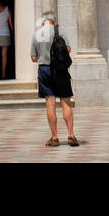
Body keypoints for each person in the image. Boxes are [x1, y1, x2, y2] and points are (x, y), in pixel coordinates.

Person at [31, 13, 77, 148]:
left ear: (42, 21)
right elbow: (68, 48)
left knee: (50, 104)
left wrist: (43, 55)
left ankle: (55, 137)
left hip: (44, 70)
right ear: (53, 20)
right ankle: (71, 135)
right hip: (61, 69)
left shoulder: (36, 34)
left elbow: (33, 58)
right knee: (66, 102)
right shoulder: (60, 30)